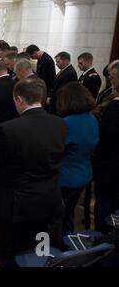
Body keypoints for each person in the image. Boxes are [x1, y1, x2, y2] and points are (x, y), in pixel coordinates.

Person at [0, 78, 66, 267]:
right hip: (48, 199)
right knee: (38, 249)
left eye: (15, 101)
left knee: (8, 251)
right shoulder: (60, 124)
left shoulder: (8, 129)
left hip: (15, 205)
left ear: (20, 100)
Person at [56, 82, 98, 235]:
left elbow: (56, 151)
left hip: (65, 177)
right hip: (84, 173)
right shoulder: (92, 119)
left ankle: (57, 251)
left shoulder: (66, 123)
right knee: (69, 213)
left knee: (58, 216)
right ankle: (68, 244)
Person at [94, 62, 119, 234]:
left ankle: (104, 241)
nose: (110, 82)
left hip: (111, 166)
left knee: (105, 205)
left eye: (111, 78)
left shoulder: (115, 107)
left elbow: (105, 137)